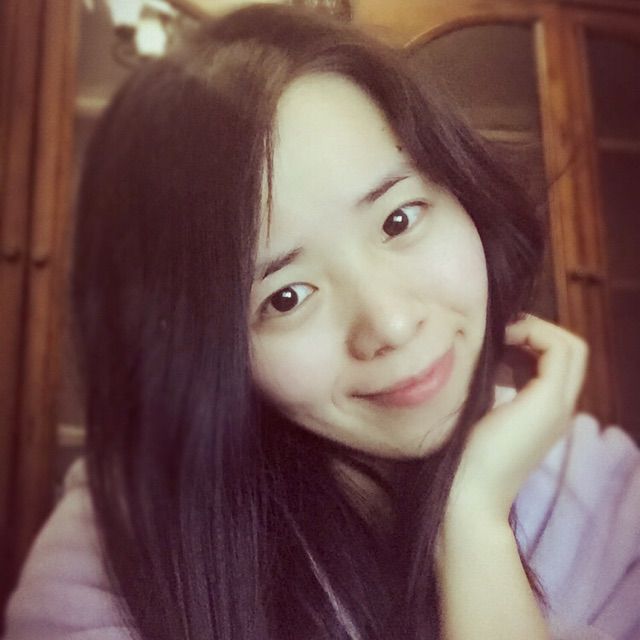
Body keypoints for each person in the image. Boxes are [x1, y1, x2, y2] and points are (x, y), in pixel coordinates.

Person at [4, 5, 640, 640]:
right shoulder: (114, 550)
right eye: (286, 297)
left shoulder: (603, 493)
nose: (391, 324)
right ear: (204, 350)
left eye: (399, 220)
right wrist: (472, 522)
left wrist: (469, 515)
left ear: (463, 191)